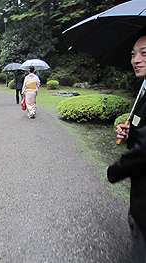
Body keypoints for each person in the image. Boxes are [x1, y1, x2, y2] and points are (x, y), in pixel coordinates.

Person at [107, 32, 146, 263]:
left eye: (144, 53)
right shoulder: (143, 89)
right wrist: (133, 131)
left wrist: (114, 171)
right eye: (133, 54)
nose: (136, 60)